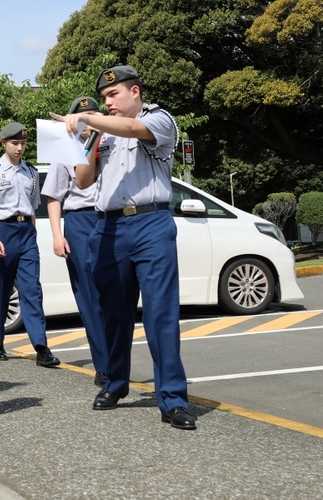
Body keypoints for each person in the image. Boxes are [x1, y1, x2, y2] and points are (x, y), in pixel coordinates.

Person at [54, 65, 196, 431]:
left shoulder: (158, 119)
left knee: (160, 313)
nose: (107, 102)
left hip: (150, 222)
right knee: (113, 313)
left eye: (113, 95)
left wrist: (92, 119)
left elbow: (133, 129)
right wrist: (81, 138)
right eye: (103, 97)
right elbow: (84, 179)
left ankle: (173, 399)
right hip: (108, 226)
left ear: (135, 92)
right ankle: (115, 384)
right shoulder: (103, 131)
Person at [0, 122, 60, 368]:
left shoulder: (31, 171)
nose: (19, 148)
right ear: (3, 143)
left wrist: (33, 231)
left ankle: (41, 347)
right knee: (0, 289)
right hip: (3, 230)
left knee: (32, 288)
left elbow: (33, 207)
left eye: (23, 143)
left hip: (26, 233)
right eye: (14, 143)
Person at [43, 96, 110, 387]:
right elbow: (54, 196)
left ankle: (116, 358)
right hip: (80, 222)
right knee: (89, 296)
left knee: (115, 293)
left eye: (92, 115)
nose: (86, 121)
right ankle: (104, 366)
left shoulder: (112, 143)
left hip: (110, 218)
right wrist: (58, 234)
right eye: (81, 117)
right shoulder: (65, 150)